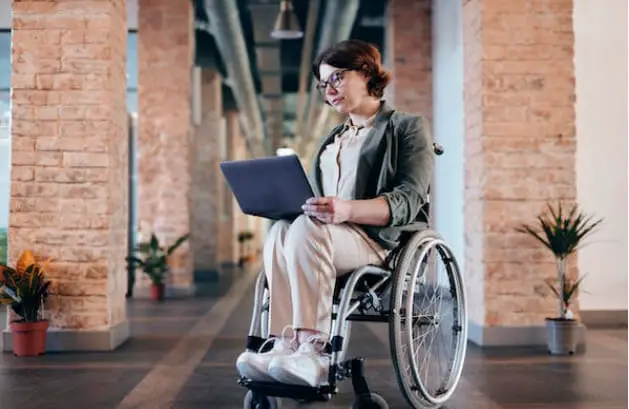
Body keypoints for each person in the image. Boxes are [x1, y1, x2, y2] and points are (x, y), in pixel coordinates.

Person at [236, 39, 435, 387]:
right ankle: (285, 343)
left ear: (366, 72)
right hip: (329, 238)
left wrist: (345, 210)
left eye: (337, 78)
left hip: (375, 242)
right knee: (283, 229)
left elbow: (409, 198)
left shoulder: (405, 127)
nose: (329, 90)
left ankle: (314, 350)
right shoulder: (333, 139)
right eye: (323, 84)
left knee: (306, 230)